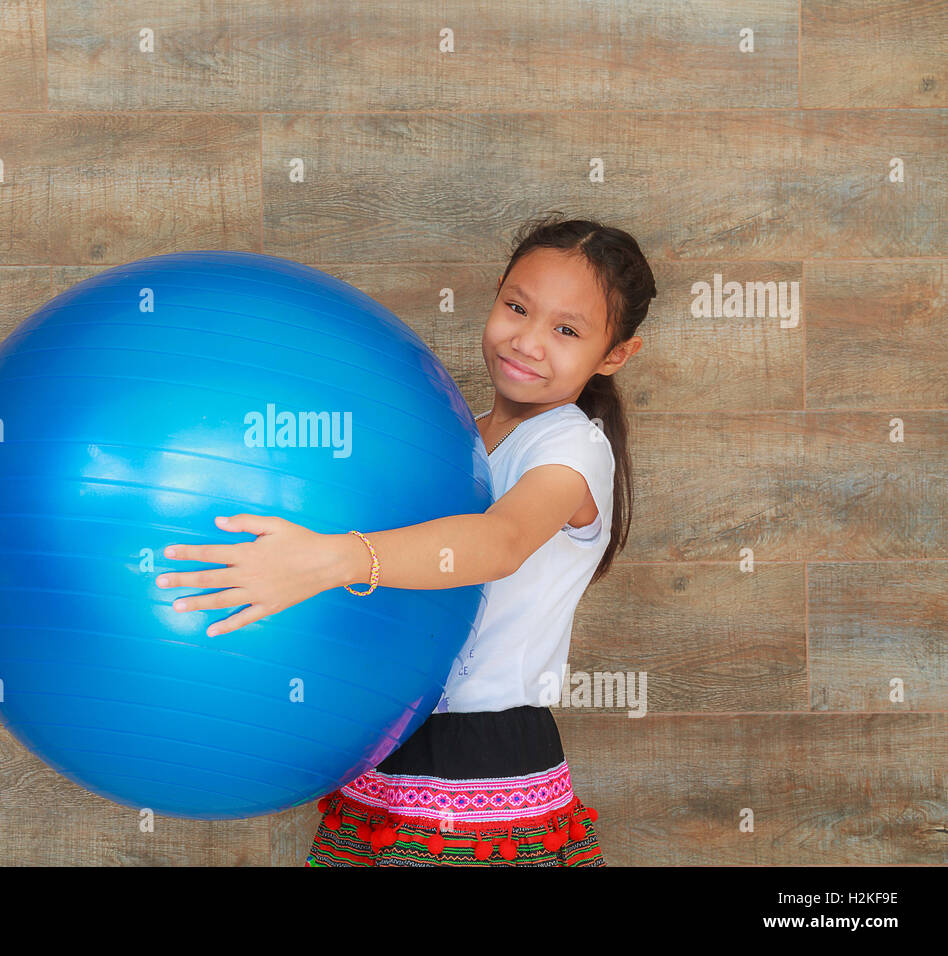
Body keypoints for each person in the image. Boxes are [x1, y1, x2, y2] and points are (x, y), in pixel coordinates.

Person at [157, 212, 654, 865]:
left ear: (615, 355)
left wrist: (331, 558)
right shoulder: (452, 436)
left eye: (566, 330)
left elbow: (499, 540)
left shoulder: (571, 444)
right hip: (385, 743)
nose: (529, 341)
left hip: (485, 764)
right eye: (516, 307)